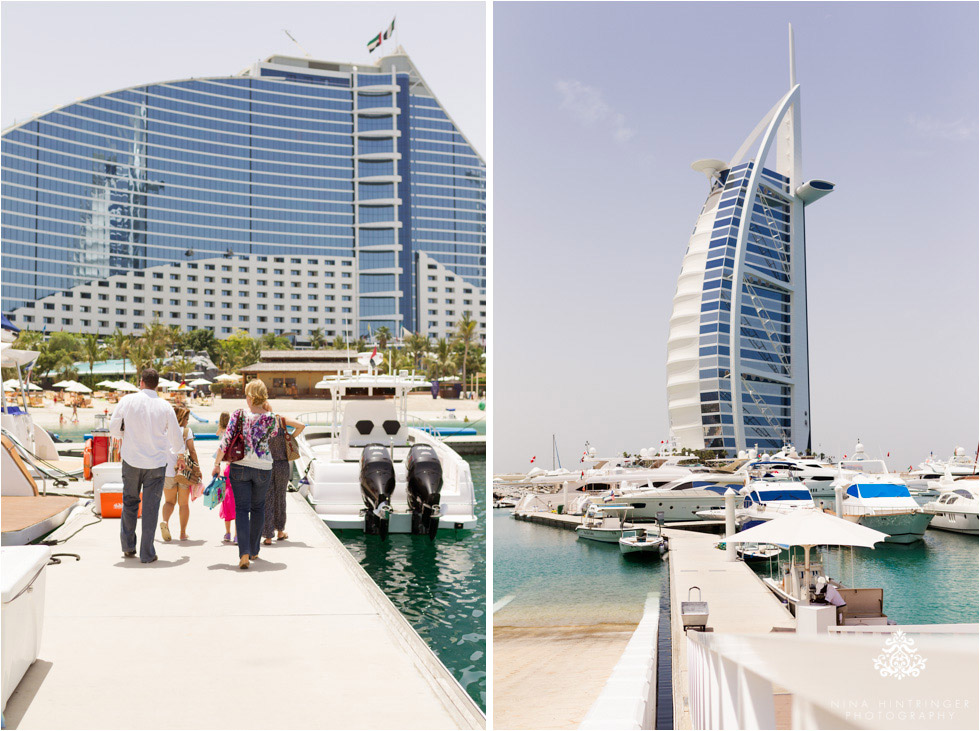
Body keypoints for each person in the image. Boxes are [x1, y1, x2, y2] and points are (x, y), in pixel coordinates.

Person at [109, 368, 185, 563]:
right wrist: (181, 455)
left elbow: (114, 428)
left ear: (141, 382)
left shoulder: (127, 401)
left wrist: (124, 434)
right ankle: (147, 553)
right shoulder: (165, 406)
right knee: (151, 508)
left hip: (131, 460)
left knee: (130, 503)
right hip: (156, 464)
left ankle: (128, 547)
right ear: (157, 385)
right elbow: (176, 436)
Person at [212, 380, 280, 569]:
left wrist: (217, 463)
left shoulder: (239, 414)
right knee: (258, 508)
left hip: (240, 466)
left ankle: (243, 553)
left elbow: (226, 441)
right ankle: (254, 549)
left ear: (249, 396)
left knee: (242, 509)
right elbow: (273, 434)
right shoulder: (273, 418)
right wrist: (268, 410)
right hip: (263, 468)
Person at [262, 406, 305, 544]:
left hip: (267, 464)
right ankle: (280, 531)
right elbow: (301, 426)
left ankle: (268, 536)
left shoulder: (262, 423)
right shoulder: (281, 420)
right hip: (282, 465)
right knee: (280, 497)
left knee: (267, 498)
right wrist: (290, 437)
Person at [160, 406, 198, 542]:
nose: (187, 421)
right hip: (183, 472)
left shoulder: (164, 431)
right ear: (181, 418)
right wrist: (197, 469)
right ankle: (182, 533)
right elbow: (192, 451)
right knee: (183, 504)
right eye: (186, 418)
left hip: (167, 471)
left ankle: (165, 521)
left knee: (169, 502)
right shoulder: (186, 431)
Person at [216, 412, 236, 543]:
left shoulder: (223, 431)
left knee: (227, 504)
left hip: (227, 468)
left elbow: (218, 434)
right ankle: (236, 535)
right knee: (238, 506)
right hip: (236, 467)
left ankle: (227, 533)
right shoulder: (233, 432)